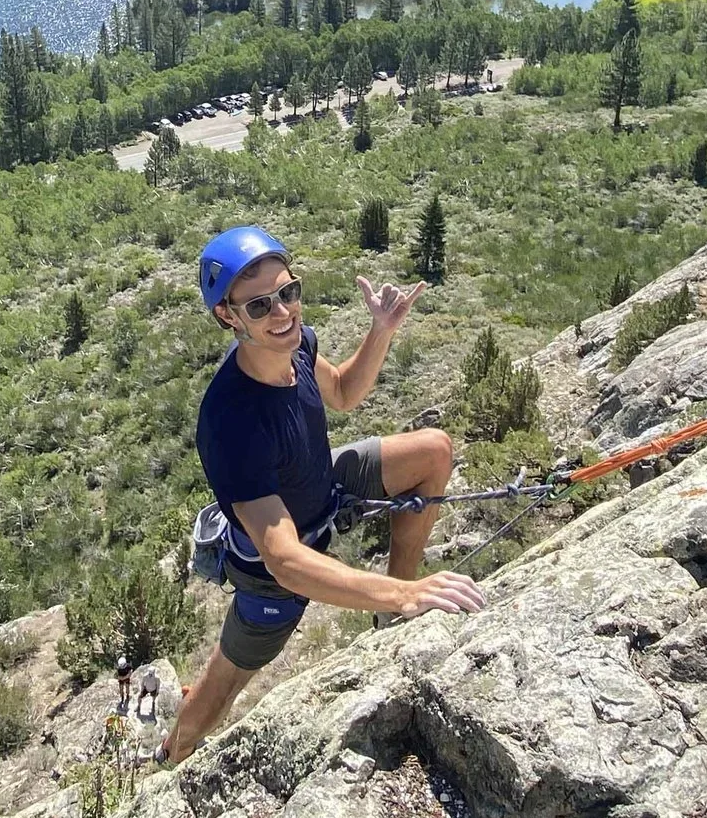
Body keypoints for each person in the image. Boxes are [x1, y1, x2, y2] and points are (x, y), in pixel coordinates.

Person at [160, 226, 486, 766]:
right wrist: (400, 593)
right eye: (260, 305)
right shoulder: (230, 422)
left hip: (324, 490)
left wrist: (380, 330)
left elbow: (342, 392)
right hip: (272, 572)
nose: (283, 312)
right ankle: (173, 756)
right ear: (228, 317)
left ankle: (397, 607)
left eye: (289, 292)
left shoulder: (300, 345)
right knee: (223, 687)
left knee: (433, 452)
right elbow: (286, 561)